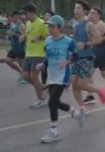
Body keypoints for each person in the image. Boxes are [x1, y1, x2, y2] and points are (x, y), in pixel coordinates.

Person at [36, 15, 75, 144]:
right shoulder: (47, 41)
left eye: (52, 26)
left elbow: (77, 55)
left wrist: (68, 61)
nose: (49, 28)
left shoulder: (68, 41)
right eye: (48, 25)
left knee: (51, 102)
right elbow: (48, 57)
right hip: (51, 76)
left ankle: (54, 132)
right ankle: (74, 111)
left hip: (63, 75)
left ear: (59, 27)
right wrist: (43, 64)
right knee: (56, 102)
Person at [70, 0, 105, 126]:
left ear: (84, 11)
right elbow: (75, 41)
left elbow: (98, 39)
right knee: (73, 84)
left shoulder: (88, 25)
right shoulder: (75, 25)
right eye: (75, 8)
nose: (75, 10)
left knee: (81, 84)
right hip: (75, 57)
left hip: (86, 58)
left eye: (78, 8)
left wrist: (85, 44)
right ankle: (83, 108)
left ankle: (98, 90)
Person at [20, 4, 49, 108]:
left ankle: (40, 99)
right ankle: (43, 88)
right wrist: (23, 37)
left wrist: (40, 37)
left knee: (34, 77)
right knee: (25, 76)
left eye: (26, 13)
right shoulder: (28, 23)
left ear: (32, 12)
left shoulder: (41, 23)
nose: (25, 16)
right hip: (28, 54)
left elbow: (48, 34)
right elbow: (27, 35)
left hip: (38, 54)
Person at [1, 11, 27, 84]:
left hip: (20, 48)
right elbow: (11, 35)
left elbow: (24, 37)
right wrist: (9, 36)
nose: (11, 18)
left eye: (12, 17)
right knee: (8, 61)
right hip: (13, 47)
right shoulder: (12, 24)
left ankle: (24, 77)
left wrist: (14, 34)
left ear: (16, 17)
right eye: (11, 17)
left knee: (21, 64)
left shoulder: (21, 25)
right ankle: (20, 72)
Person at [41, 10, 56, 85]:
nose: (45, 16)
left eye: (47, 15)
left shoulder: (55, 26)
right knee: (44, 67)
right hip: (46, 51)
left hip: (55, 51)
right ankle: (44, 84)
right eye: (45, 14)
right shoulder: (43, 25)